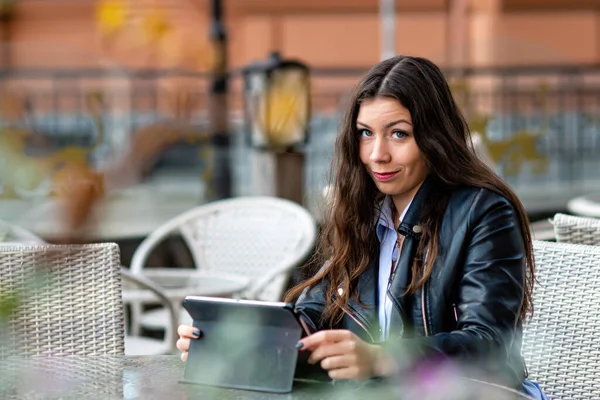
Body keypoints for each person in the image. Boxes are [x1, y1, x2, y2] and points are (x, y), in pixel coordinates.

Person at [176, 55, 547, 399]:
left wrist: (383, 358)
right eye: (366, 133)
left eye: (398, 133)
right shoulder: (364, 210)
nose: (376, 154)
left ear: (434, 137)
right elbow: (316, 312)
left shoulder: (484, 212)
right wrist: (234, 343)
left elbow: (489, 343)